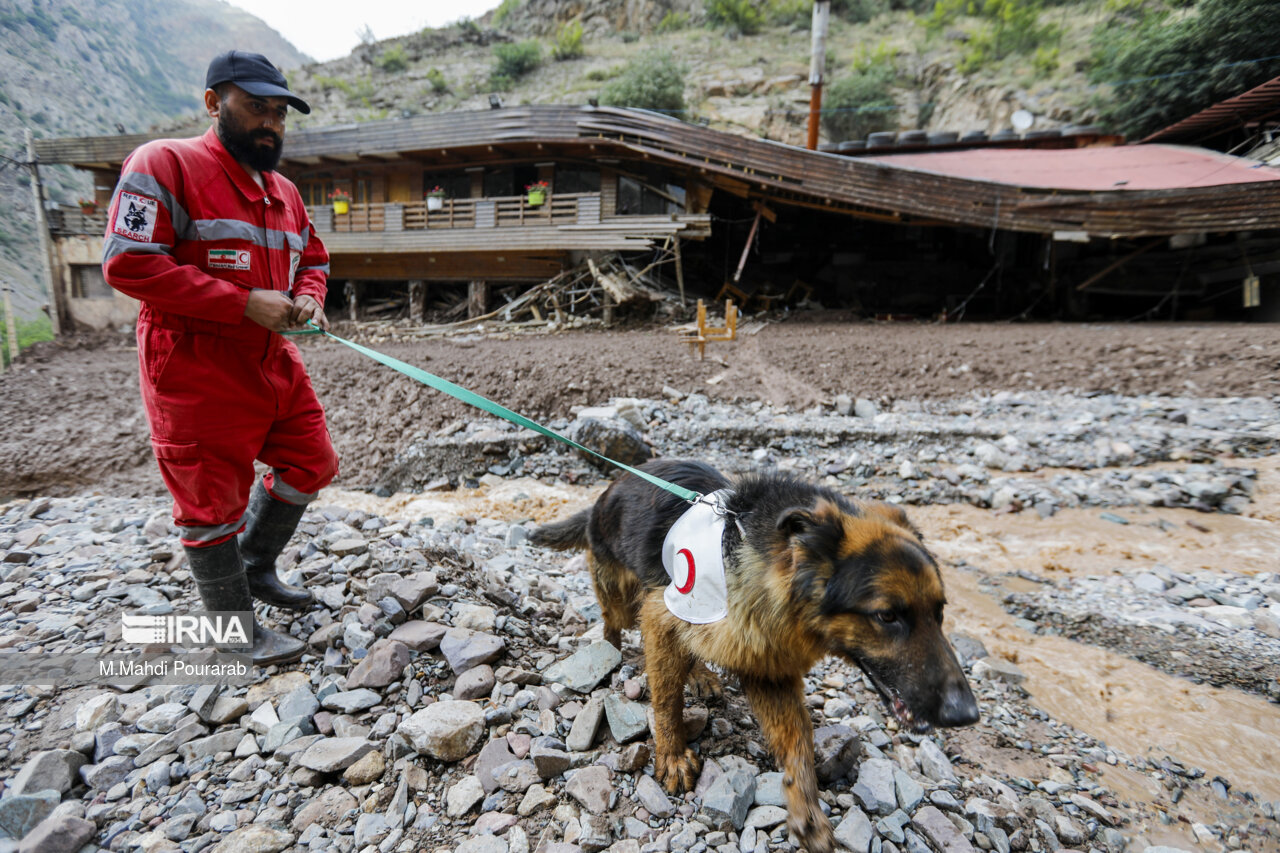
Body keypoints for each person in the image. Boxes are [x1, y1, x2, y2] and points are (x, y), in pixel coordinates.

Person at [103, 51, 339, 665]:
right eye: (256, 107)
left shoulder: (283, 190)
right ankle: (232, 634)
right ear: (214, 103)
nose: (271, 123)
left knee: (312, 460)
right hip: (192, 358)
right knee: (210, 501)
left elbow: (312, 260)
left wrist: (308, 300)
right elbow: (128, 262)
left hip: (272, 354)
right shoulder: (165, 164)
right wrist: (241, 304)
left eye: (280, 112)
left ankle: (256, 567)